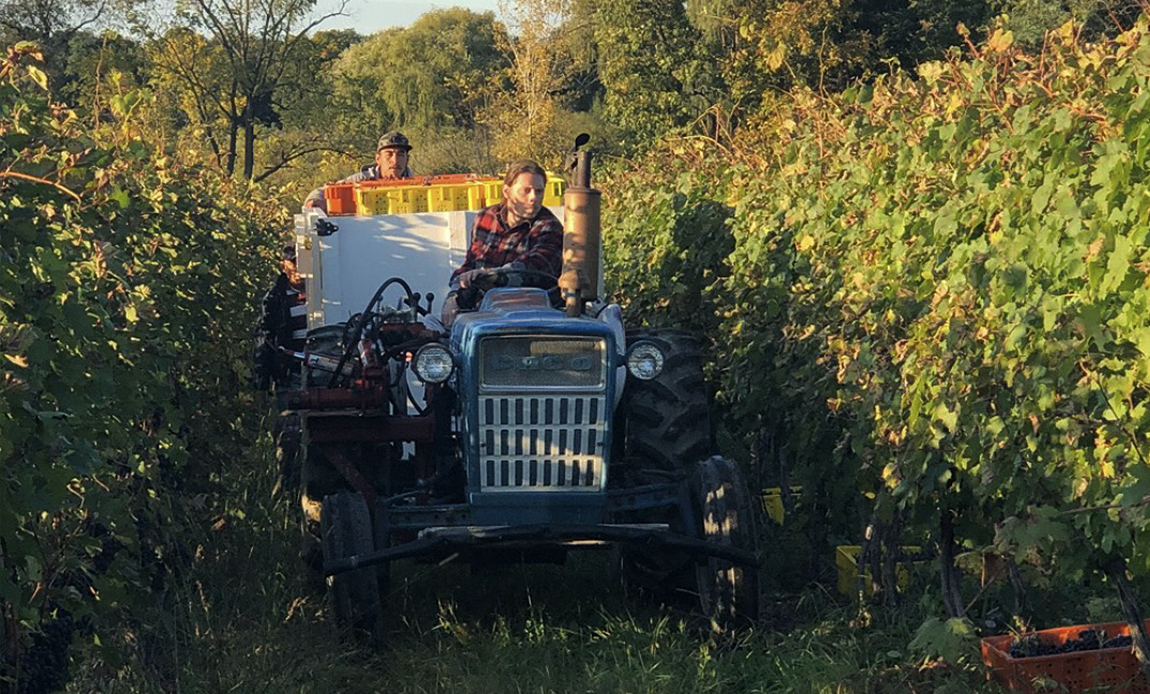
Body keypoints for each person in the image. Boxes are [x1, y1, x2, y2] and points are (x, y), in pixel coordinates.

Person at [440, 159, 563, 326]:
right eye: (526, 191)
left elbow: (531, 270)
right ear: (507, 191)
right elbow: (471, 263)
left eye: (539, 191)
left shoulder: (550, 227)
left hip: (526, 318)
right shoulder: (485, 217)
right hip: (480, 315)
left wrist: (490, 276)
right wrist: (455, 292)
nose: (533, 198)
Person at [302, 130, 414, 211]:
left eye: (400, 154)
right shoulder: (361, 180)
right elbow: (325, 191)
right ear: (378, 159)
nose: (395, 160)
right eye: (389, 154)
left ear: (407, 159)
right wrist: (316, 201)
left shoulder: (420, 186)